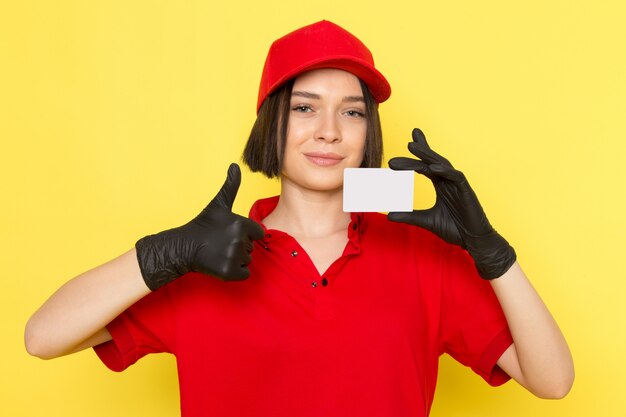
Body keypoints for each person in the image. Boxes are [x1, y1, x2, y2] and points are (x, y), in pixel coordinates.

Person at [25, 20, 574, 417]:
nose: (330, 131)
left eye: (352, 111)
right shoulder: (209, 257)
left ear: (368, 133)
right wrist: (160, 255)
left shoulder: (418, 255)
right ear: (271, 124)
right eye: (305, 107)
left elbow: (553, 382)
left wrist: (494, 257)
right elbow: (43, 337)